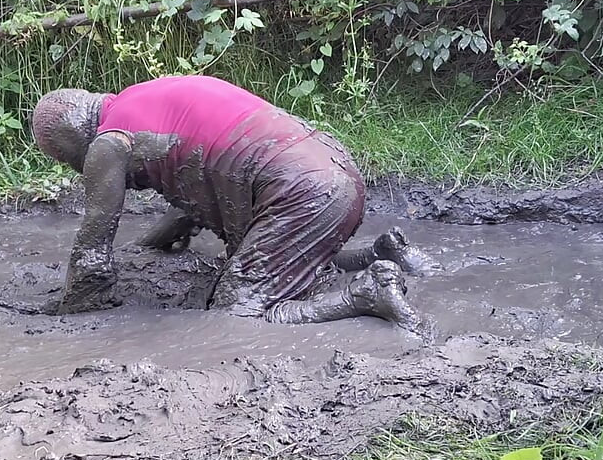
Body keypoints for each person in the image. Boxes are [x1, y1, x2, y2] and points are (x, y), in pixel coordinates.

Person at [30, 74, 436, 336]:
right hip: (333, 170)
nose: (81, 170)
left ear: (72, 144)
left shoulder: (108, 142)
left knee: (235, 313)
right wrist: (148, 248)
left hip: (300, 190)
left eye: (72, 163)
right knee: (282, 261)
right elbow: (187, 206)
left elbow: (92, 259)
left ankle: (363, 295)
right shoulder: (144, 98)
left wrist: (55, 315)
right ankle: (377, 254)